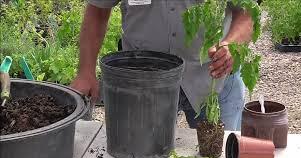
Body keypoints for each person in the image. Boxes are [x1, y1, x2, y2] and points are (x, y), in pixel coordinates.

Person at [70, 0, 254, 130]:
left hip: (212, 77)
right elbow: (98, 10)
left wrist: (231, 45)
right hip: (144, 81)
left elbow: (247, 12)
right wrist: (85, 71)